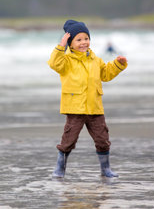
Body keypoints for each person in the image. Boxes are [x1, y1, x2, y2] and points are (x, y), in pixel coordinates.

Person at [48, 19, 128, 178]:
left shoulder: (95, 59)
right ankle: (59, 169)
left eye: (86, 38)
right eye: (78, 39)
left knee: (103, 139)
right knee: (68, 141)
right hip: (75, 107)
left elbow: (105, 74)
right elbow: (54, 63)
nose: (83, 42)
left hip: (94, 107)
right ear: (70, 43)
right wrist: (60, 46)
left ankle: (105, 169)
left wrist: (117, 64)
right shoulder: (66, 61)